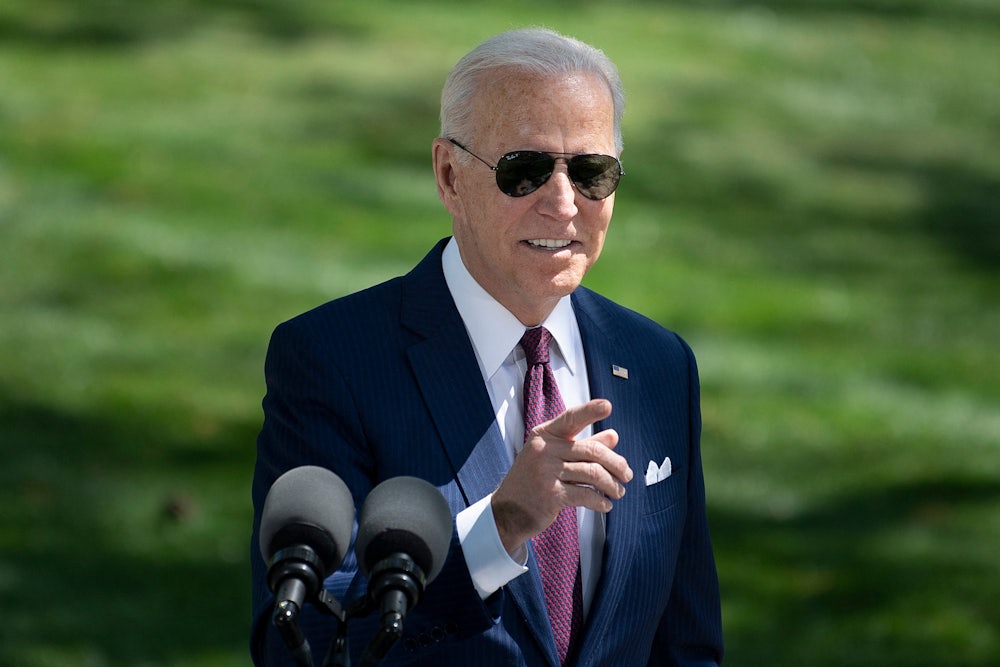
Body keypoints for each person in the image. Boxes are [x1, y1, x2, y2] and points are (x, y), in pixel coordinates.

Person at [250, 27, 723, 666]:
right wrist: (499, 528)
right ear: (449, 176)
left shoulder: (659, 365)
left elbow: (686, 646)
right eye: (524, 171)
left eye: (592, 173)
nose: (564, 205)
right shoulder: (333, 359)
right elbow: (297, 643)